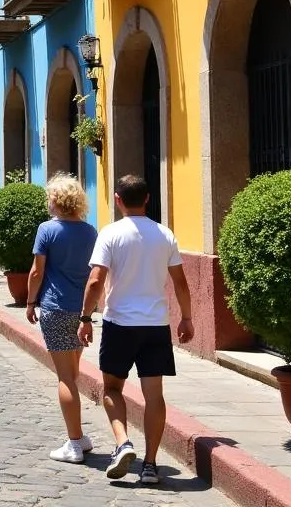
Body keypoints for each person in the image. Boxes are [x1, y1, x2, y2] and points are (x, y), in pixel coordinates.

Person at [79, 174, 194, 486]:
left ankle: (123, 443)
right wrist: (187, 318)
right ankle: (151, 465)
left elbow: (95, 281)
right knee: (154, 395)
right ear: (146, 199)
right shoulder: (165, 235)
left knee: (112, 389)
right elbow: (180, 282)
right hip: (156, 325)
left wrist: (86, 318)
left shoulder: (110, 234)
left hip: (120, 325)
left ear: (118, 200)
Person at [25, 174, 99, 463]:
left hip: (55, 308)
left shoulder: (46, 230)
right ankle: (79, 436)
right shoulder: (90, 231)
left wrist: (31, 302)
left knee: (65, 378)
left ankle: (74, 443)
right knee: (73, 372)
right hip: (81, 311)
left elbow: (35, 272)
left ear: (55, 200)